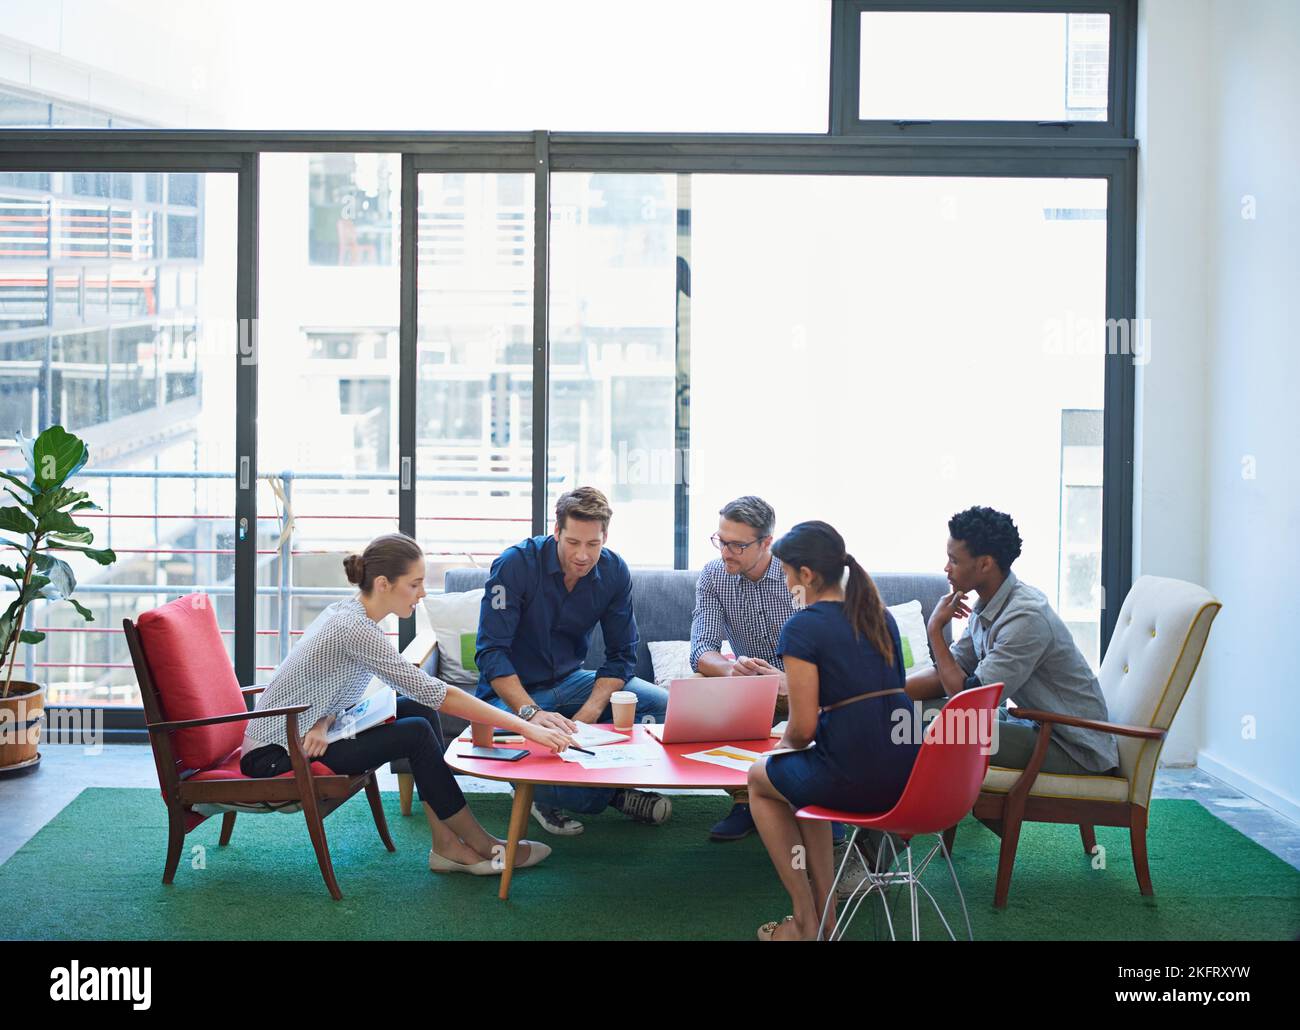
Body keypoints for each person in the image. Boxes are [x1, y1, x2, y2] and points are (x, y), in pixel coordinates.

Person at [242, 533, 574, 876]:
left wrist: (322, 723)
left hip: (301, 735)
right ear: (384, 583)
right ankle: (485, 845)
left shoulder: (352, 614)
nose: (423, 593)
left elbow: (320, 690)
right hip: (273, 756)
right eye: (415, 584)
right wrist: (525, 725)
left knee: (417, 711)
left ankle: (446, 846)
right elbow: (436, 691)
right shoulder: (353, 627)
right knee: (415, 729)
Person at [747, 521, 920, 941]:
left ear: (806, 575)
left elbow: (803, 728)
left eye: (786, 573)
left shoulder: (803, 627)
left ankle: (807, 919)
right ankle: (825, 918)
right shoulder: (879, 616)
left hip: (854, 776)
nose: (785, 583)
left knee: (758, 778)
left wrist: (777, 752)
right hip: (910, 776)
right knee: (805, 787)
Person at [475, 486, 672, 836]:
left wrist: (590, 712)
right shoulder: (514, 565)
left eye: (593, 544)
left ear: (605, 537)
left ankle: (575, 785)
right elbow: (492, 654)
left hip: (571, 682)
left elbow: (622, 655)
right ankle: (604, 795)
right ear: (556, 532)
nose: (583, 555)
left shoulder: (614, 572)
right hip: (509, 696)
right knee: (548, 762)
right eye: (573, 543)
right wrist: (531, 715)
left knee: (664, 706)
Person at [904, 506, 1120, 777]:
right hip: (1035, 725)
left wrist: (935, 629)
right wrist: (885, 694)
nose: (946, 569)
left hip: (1071, 746)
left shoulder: (1026, 617)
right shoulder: (988, 604)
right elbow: (948, 672)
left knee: (943, 730)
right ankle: (882, 808)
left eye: (954, 560)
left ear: (984, 564)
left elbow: (966, 699)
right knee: (904, 715)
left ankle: (923, 816)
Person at [690, 496, 797, 841]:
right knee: (699, 688)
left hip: (804, 684)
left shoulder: (797, 574)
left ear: (767, 543)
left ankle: (817, 803)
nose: (726, 552)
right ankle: (744, 801)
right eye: (722, 541)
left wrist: (790, 681)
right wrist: (731, 673)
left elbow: (833, 652)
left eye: (737, 545)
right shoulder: (713, 576)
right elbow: (702, 648)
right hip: (748, 686)